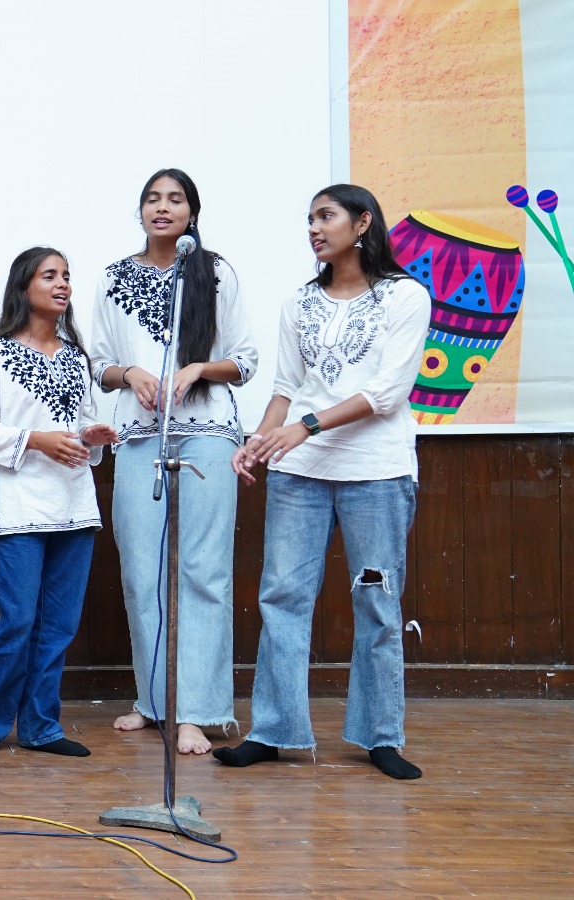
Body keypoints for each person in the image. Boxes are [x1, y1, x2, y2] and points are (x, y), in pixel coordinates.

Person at [216, 184, 428, 780]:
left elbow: (387, 392)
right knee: (281, 598)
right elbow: (286, 388)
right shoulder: (298, 303)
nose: (314, 227)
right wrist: (260, 440)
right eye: (309, 218)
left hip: (376, 472)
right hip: (299, 475)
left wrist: (306, 427)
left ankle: (380, 737)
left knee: (376, 602)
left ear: (363, 223)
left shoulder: (405, 296)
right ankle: (274, 730)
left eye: (326, 216)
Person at [89, 168, 257, 755]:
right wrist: (131, 373)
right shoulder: (114, 276)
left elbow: (246, 361)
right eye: (153, 199)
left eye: (176, 199)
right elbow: (99, 364)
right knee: (142, 571)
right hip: (139, 436)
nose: (163, 208)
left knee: (203, 572)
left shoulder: (216, 272)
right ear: (140, 211)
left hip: (208, 434)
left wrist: (199, 368)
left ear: (192, 212)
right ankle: (154, 700)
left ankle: (197, 712)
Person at [0, 248, 117, 760]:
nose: (62, 283)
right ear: (23, 286)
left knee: (59, 625)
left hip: (73, 503)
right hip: (16, 504)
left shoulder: (76, 357)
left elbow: (80, 428)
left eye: (67, 275)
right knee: (17, 619)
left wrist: (91, 436)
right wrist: (37, 440)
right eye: (50, 275)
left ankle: (41, 727)